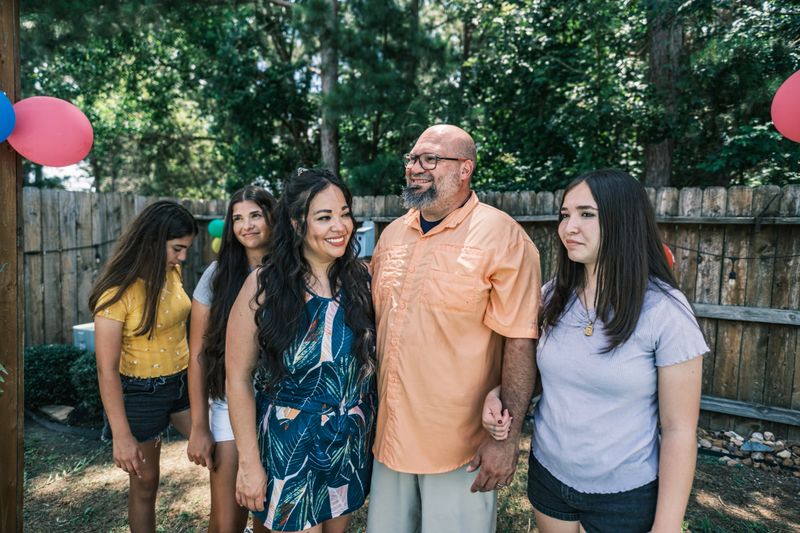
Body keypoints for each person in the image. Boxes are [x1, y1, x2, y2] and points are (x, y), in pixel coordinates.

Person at [483, 169, 708, 532]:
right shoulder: (552, 296)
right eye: (565, 214)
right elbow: (547, 377)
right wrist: (498, 394)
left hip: (625, 494)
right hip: (550, 478)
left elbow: (679, 429)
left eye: (587, 214)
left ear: (624, 221)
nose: (569, 227)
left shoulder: (665, 311)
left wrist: (666, 525)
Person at [366, 124, 542, 533]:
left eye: (430, 159)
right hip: (389, 441)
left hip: (459, 448)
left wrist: (504, 439)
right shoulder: (391, 236)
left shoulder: (503, 237)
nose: (415, 168)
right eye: (412, 159)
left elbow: (520, 340)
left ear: (465, 169)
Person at [226, 168, 376, 533]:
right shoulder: (264, 286)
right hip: (289, 444)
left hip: (347, 443)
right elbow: (238, 379)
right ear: (296, 224)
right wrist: (248, 463)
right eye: (324, 217)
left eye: (344, 213)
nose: (340, 226)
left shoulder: (363, 280)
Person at [89, 200, 198, 533]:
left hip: (181, 384)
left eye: (185, 249)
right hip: (140, 393)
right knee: (146, 482)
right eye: (177, 248)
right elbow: (106, 370)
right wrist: (121, 435)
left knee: (220, 452)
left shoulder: (172, 273)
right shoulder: (116, 293)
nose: (182, 257)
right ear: (154, 240)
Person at [186, 186, 276, 533]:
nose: (246, 225)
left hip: (282, 408)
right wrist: (198, 426)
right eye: (237, 218)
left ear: (272, 217)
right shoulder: (217, 275)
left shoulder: (292, 270)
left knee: (269, 516)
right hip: (227, 404)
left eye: (255, 215)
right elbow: (197, 355)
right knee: (226, 520)